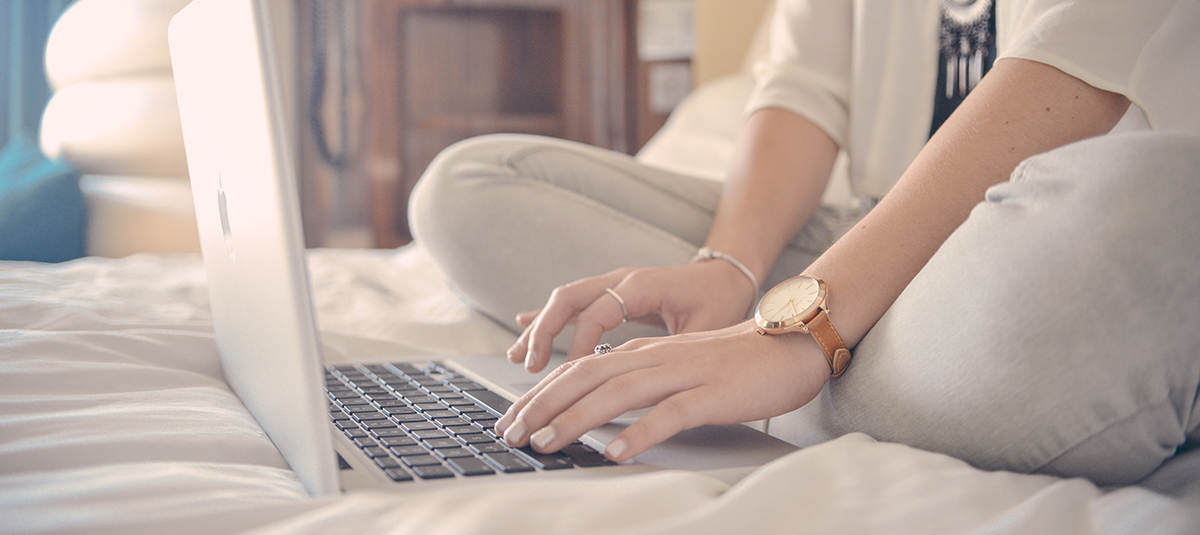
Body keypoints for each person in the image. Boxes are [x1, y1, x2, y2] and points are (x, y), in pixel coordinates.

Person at [409, 0, 1200, 486]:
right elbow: (802, 85)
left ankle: (774, 364)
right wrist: (732, 266)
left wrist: (790, 333)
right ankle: (789, 363)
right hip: (870, 230)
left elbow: (1071, 66)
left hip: (1039, 252)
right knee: (472, 186)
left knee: (1163, 200)